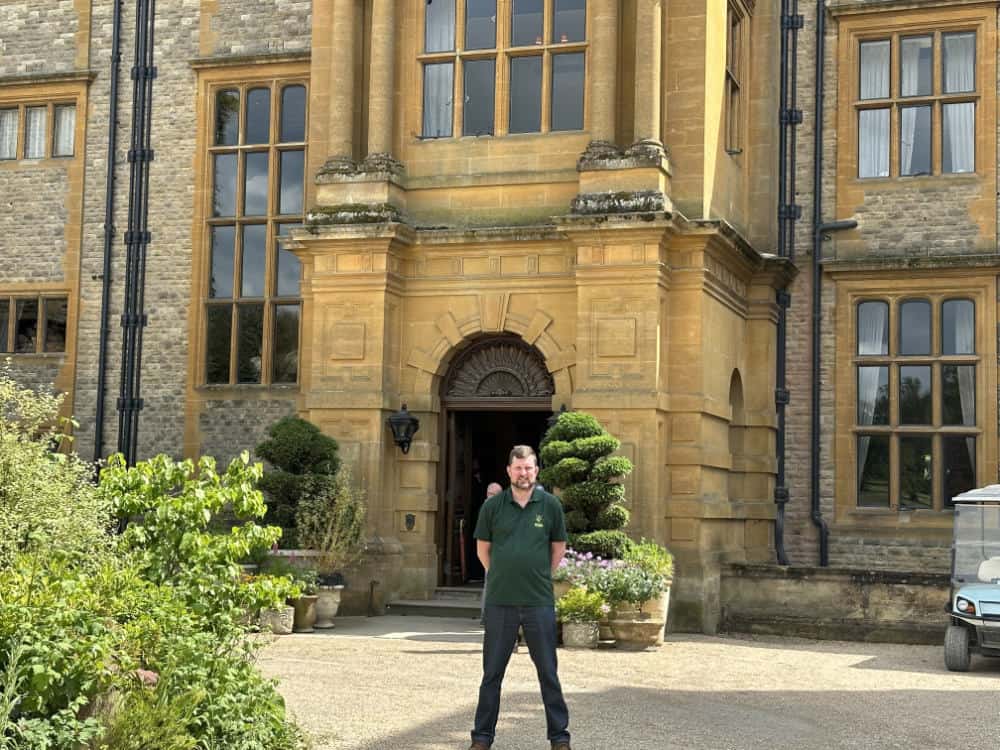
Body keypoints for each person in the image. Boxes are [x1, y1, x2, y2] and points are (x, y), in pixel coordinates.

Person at [469, 445, 571, 750]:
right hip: (501, 602)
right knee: (492, 675)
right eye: (518, 468)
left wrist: (536, 575)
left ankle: (559, 738)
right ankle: (482, 738)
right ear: (508, 471)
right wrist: (502, 574)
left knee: (548, 674)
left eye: (528, 468)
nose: (523, 473)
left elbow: (558, 549)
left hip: (539, 602)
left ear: (535, 471)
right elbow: (482, 550)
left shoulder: (550, 505)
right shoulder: (492, 507)